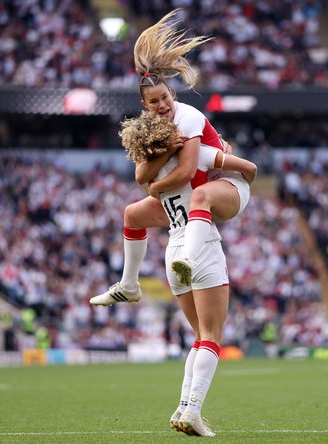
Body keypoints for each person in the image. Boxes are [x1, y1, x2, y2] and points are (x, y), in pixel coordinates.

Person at [90, 8, 255, 306]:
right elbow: (140, 176)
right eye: (154, 102)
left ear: (172, 94)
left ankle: (189, 259)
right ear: (144, 104)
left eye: (165, 97)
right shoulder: (149, 127)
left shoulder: (188, 117)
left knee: (200, 194)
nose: (162, 105)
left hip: (223, 188)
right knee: (132, 214)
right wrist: (166, 150)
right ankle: (128, 285)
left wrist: (156, 187)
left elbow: (187, 172)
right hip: (191, 195)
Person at [115, 108, 246, 437]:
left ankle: (183, 406)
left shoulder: (156, 175)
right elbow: (236, 168)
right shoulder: (194, 158)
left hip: (172, 249)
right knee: (212, 338)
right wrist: (230, 158)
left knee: (198, 338)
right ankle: (194, 410)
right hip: (199, 246)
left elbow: (142, 190)